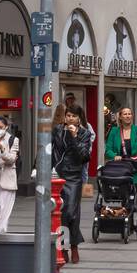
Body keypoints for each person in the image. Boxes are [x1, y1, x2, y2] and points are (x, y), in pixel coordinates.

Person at [53, 105, 93, 263]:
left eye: (74, 116)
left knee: (71, 213)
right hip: (58, 174)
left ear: (79, 118)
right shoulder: (57, 130)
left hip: (74, 176)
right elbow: (49, 149)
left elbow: (83, 157)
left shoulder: (84, 133)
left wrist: (75, 137)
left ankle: (74, 246)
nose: (70, 118)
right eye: (68, 115)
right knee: (58, 214)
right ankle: (62, 248)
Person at [105, 105, 137, 189]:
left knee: (132, 193)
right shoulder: (114, 131)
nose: (128, 116)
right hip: (119, 167)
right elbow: (108, 150)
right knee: (122, 193)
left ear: (132, 116)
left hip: (134, 166)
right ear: (120, 117)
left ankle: (130, 201)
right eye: (125, 114)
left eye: (129, 114)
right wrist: (114, 156)